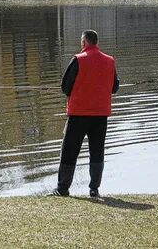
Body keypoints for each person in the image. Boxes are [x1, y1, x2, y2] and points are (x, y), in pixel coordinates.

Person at [49, 29, 119, 198]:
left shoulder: (78, 60)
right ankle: (94, 189)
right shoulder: (110, 61)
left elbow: (65, 87)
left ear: (84, 42)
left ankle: (63, 188)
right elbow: (114, 88)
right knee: (97, 151)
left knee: (69, 151)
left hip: (79, 114)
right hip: (101, 116)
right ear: (97, 42)